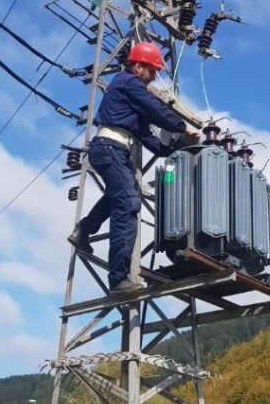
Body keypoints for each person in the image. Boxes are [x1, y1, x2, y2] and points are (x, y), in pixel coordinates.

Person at [69, 42, 199, 294]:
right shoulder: (128, 82)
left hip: (113, 150)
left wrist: (171, 150)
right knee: (128, 204)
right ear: (138, 66)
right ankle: (118, 280)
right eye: (152, 72)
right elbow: (155, 109)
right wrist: (183, 127)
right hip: (109, 147)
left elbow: (145, 134)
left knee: (116, 198)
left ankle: (83, 231)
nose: (152, 79)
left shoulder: (131, 95)